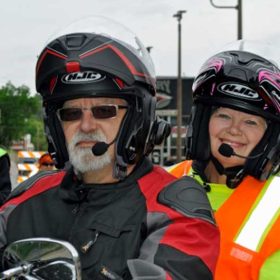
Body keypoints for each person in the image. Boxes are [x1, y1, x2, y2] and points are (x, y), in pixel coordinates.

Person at [0, 19, 219, 279]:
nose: (86, 125)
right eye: (71, 113)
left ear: (136, 118)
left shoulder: (174, 205)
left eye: (105, 111)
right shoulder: (30, 194)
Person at [169, 50, 280, 279]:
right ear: (203, 121)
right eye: (224, 115)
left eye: (250, 121)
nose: (234, 130)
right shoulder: (162, 182)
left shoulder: (276, 204)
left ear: (269, 136)